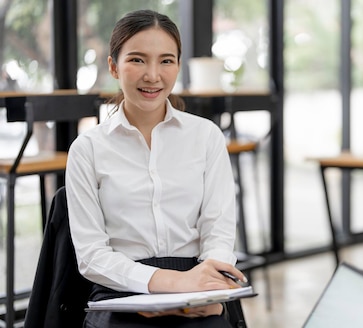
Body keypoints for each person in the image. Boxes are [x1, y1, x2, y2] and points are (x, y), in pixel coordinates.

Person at [65, 9, 244, 327]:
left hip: (198, 281)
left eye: (166, 60)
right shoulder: (87, 149)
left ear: (178, 65)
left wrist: (208, 287)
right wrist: (172, 284)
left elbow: (218, 231)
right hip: (121, 287)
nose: (152, 75)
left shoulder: (205, 137)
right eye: (137, 60)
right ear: (113, 67)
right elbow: (92, 256)